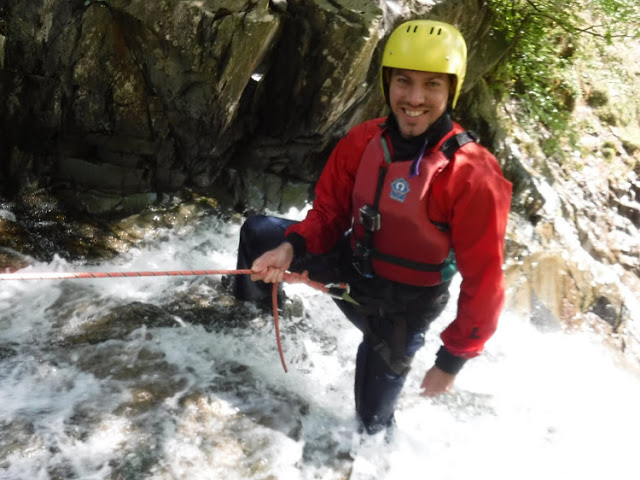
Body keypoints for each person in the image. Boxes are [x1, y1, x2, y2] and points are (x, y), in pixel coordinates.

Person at [233, 19, 512, 435]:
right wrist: (290, 250)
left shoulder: (473, 174)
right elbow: (327, 214)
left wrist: (450, 362)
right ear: (387, 83)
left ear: (452, 89)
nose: (415, 99)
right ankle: (246, 318)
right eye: (404, 81)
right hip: (353, 269)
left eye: (432, 85)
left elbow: (485, 281)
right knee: (259, 233)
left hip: (401, 310)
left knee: (371, 425)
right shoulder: (363, 141)